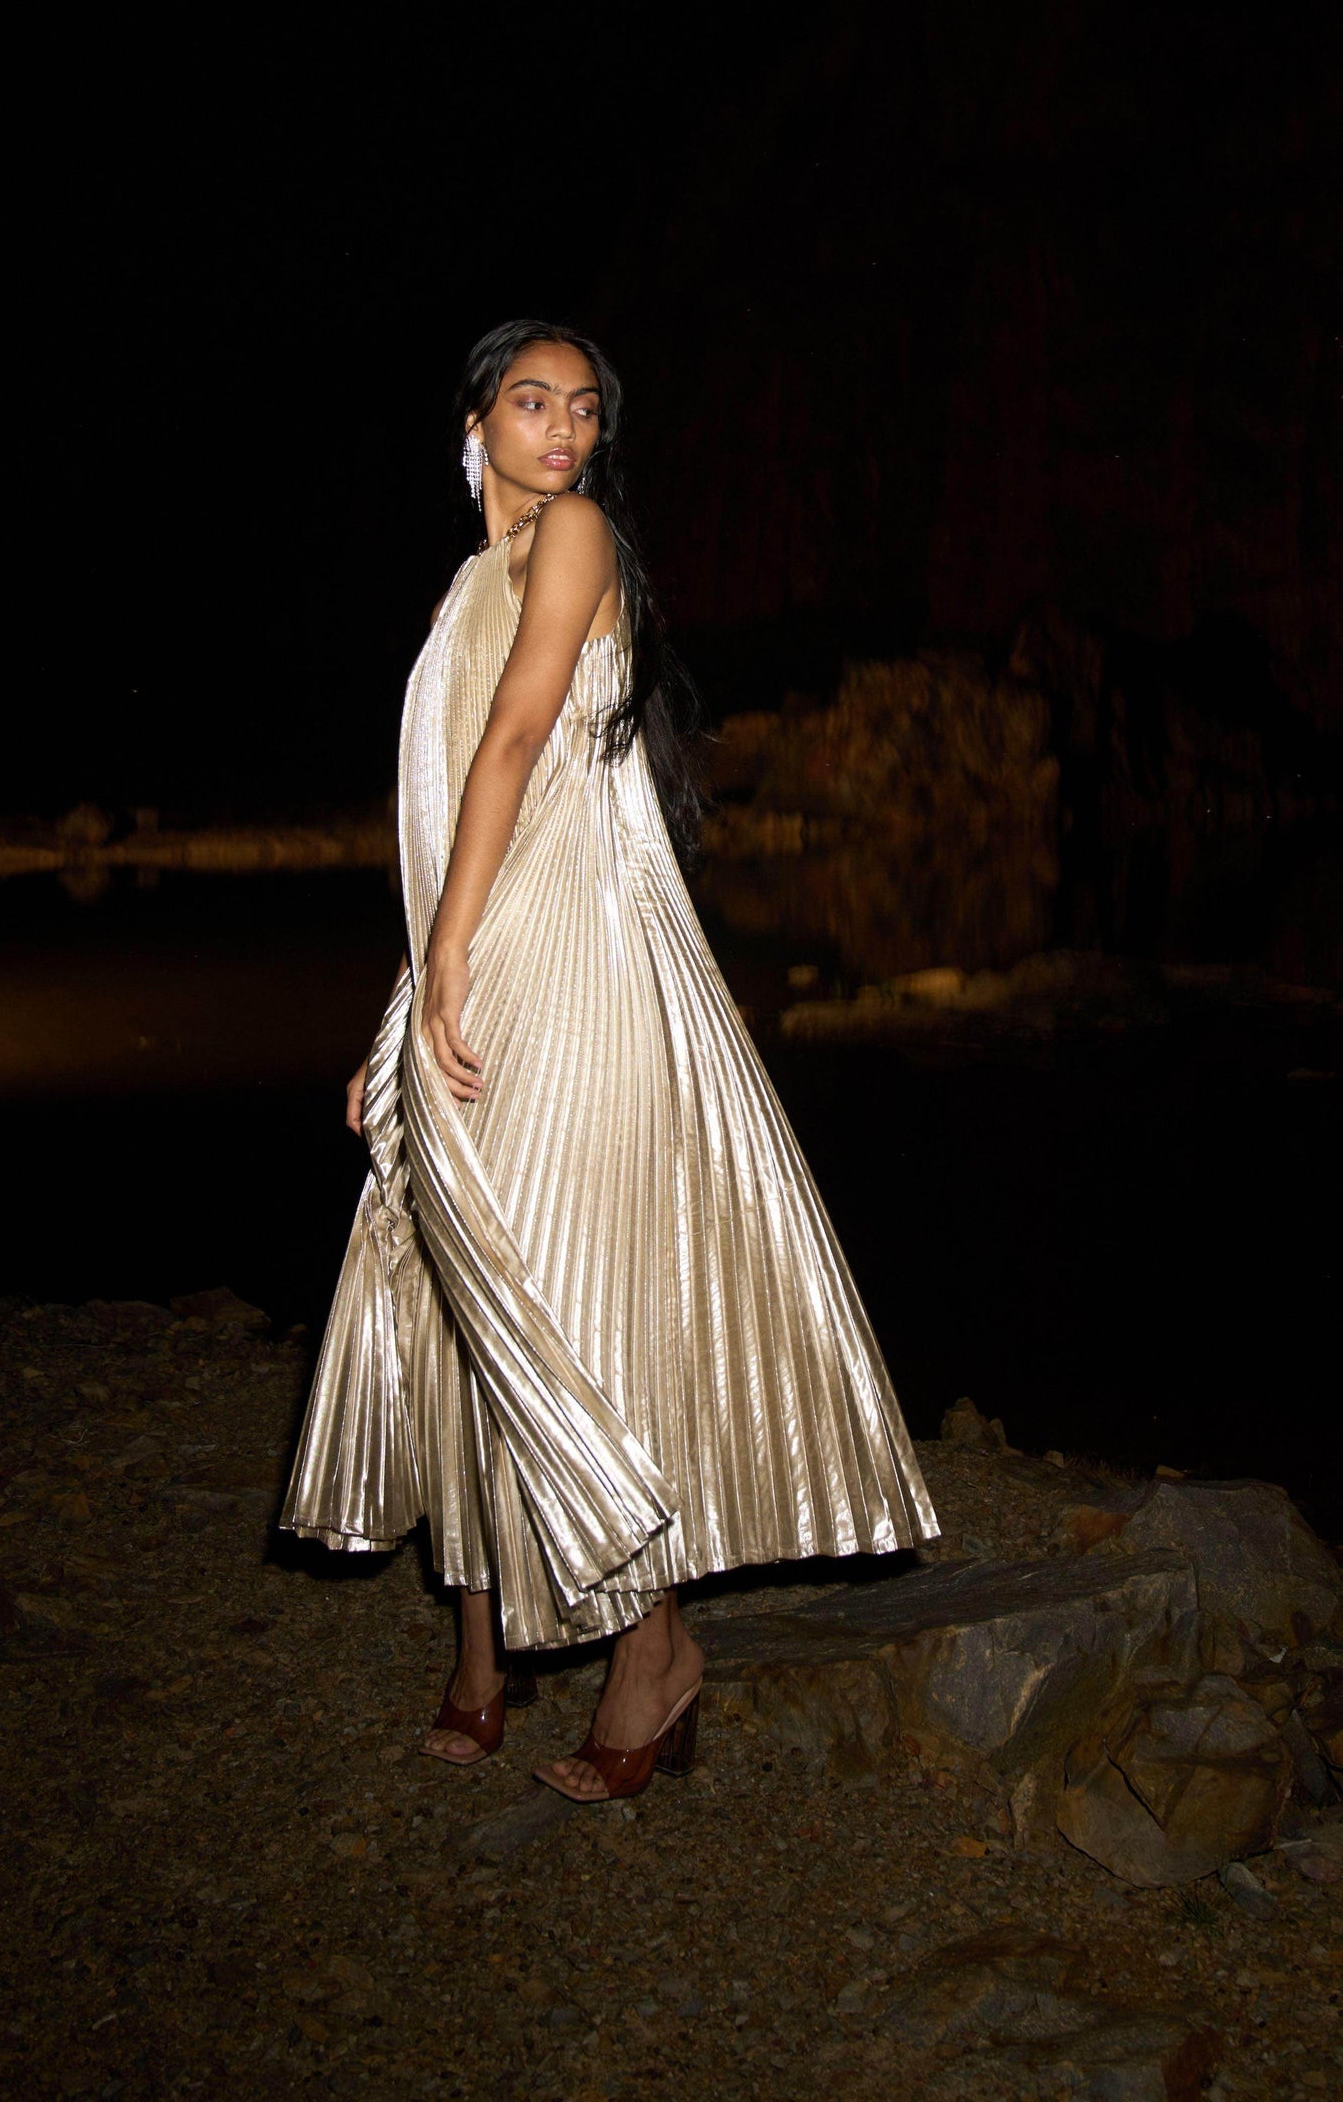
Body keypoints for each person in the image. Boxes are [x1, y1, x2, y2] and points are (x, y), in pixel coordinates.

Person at [282, 320, 937, 1802]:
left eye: (583, 409)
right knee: (452, 1274)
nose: (563, 431)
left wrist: (451, 959)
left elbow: (521, 738)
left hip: (572, 962)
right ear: (472, 423)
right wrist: (412, 993)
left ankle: (655, 1649)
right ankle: (482, 1646)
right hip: (484, 945)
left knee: (559, 1283)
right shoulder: (464, 583)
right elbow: (452, 813)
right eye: (532, 403)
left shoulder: (572, 536)